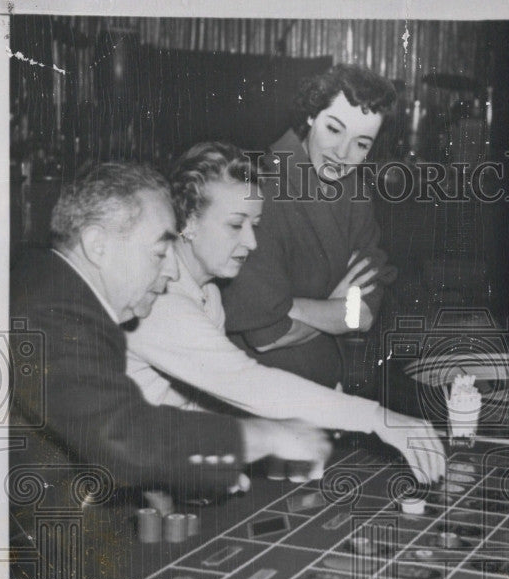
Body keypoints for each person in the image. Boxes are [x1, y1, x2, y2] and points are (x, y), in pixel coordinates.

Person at [10, 164, 333, 576]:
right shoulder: (52, 310)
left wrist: (174, 472)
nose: (172, 271)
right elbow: (125, 437)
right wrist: (264, 435)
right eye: (161, 252)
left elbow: (96, 429)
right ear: (97, 244)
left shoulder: (57, 291)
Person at [124, 142, 444, 484]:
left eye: (255, 225)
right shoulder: (158, 299)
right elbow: (246, 381)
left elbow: (191, 403)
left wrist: (253, 449)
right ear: (187, 222)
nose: (252, 242)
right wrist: (378, 419)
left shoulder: (209, 293)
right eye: (235, 225)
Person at [220, 64, 397, 389]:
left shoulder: (354, 192)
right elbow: (267, 336)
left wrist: (295, 308)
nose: (342, 154)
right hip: (259, 391)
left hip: (326, 384)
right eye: (334, 129)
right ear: (312, 116)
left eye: (362, 144)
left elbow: (365, 310)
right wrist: (335, 305)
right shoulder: (262, 186)